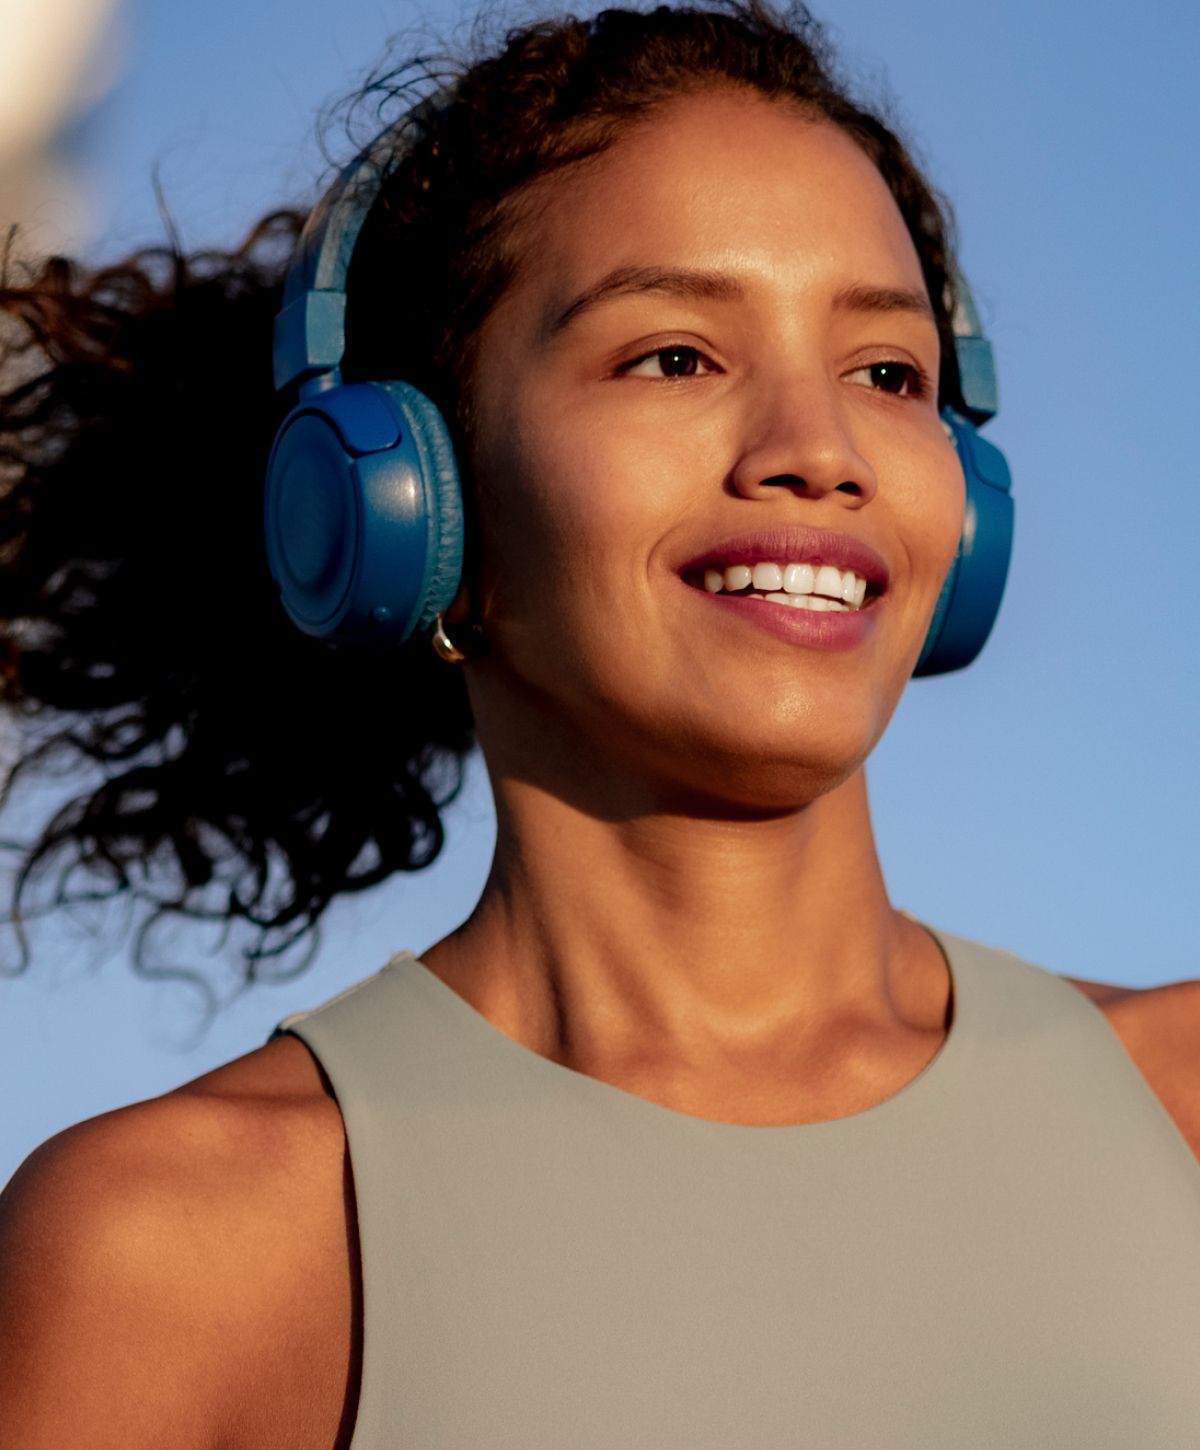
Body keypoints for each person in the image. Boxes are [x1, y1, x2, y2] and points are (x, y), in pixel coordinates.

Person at [1, 3, 1198, 1445]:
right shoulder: (174, 1247)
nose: (818, 452)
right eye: (675, 357)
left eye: (887, 374)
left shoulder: (1181, 1107)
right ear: (408, 504)